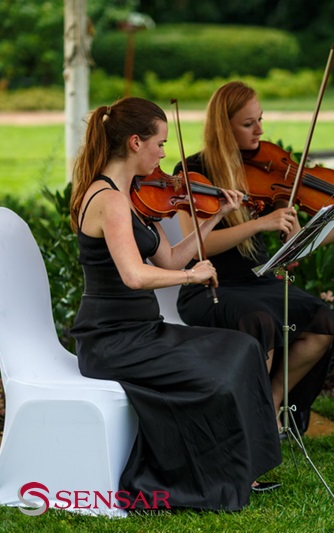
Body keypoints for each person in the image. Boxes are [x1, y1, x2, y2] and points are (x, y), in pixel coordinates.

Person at [69, 97, 282, 512]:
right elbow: (135, 276)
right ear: (135, 142)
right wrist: (193, 277)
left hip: (142, 330)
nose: (165, 154)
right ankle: (202, 480)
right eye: (160, 144)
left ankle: (245, 471)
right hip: (111, 339)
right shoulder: (109, 199)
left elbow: (168, 259)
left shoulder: (133, 194)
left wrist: (215, 214)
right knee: (214, 378)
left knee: (242, 348)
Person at [173, 81, 334, 434]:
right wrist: (260, 223)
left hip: (258, 281)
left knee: (322, 322)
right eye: (248, 123)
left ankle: (272, 401)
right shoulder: (192, 172)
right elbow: (201, 246)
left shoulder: (269, 170)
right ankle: (249, 424)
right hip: (210, 286)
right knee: (260, 321)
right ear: (224, 126)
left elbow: (301, 241)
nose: (260, 130)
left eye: (260, 120)